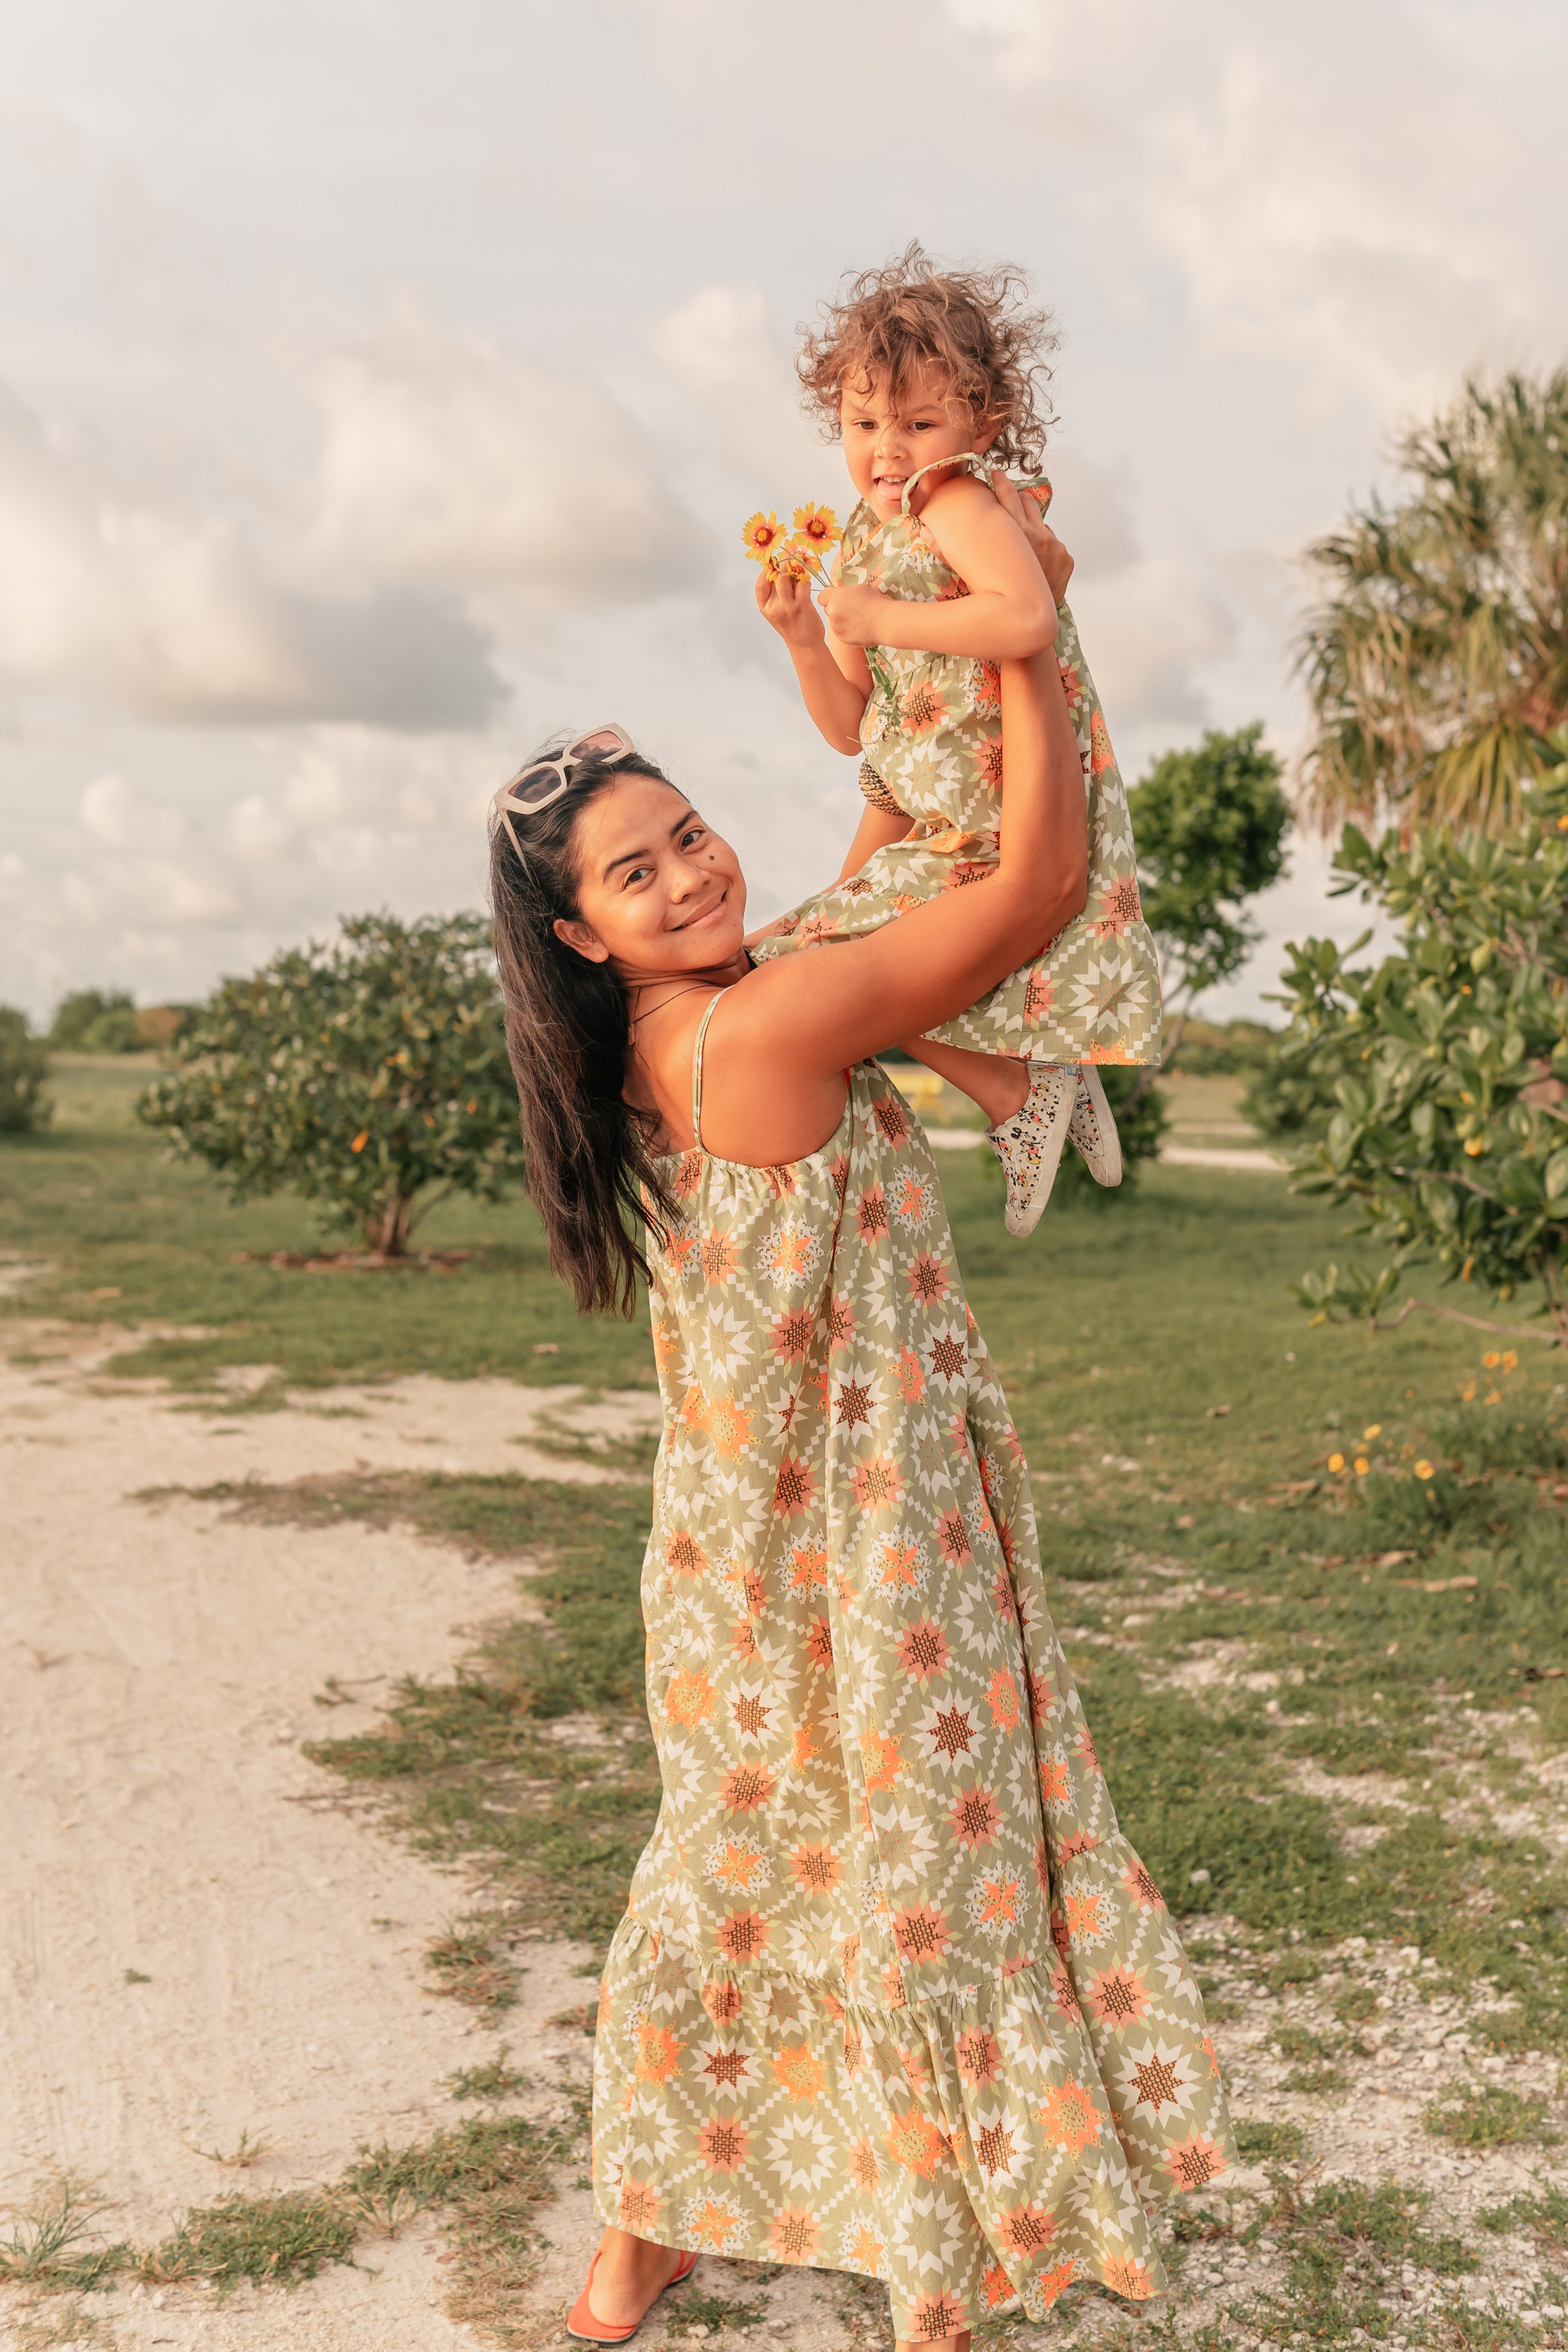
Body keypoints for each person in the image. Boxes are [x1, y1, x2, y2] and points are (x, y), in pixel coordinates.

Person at [486, 661, 1232, 2352]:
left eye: (689, 835)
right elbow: (1030, 889)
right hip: (869, 1537)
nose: (692, 875)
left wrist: (895, 727)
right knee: (912, 1882)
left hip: (738, 1544)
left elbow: (870, 887)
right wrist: (1027, 648)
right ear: (585, 934)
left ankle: (645, 2235)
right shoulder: (761, 1028)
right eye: (637, 873)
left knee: (740, 1865)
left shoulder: (671, 1031)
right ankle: (927, 2266)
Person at [748, 244, 1161, 1236]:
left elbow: (1021, 616)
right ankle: (1030, 1090)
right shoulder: (864, 533)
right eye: (862, 425)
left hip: (991, 812)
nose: (887, 451)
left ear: (985, 422)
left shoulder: (959, 501)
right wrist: (808, 634)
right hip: (927, 811)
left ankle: (1020, 1097)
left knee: (813, 962)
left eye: (919, 423)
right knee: (812, 961)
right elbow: (855, 727)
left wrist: (881, 618)